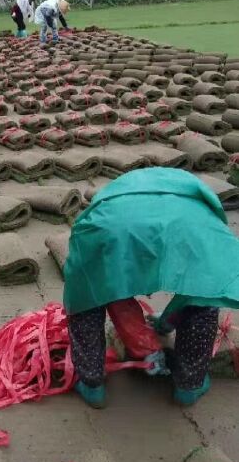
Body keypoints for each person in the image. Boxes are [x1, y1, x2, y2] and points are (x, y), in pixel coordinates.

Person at [63, 168, 239, 409]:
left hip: (109, 227)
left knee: (88, 292)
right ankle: (189, 385)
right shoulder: (205, 222)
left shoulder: (123, 188)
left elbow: (86, 287)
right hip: (184, 229)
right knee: (204, 296)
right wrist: (167, 322)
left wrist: (165, 322)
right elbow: (194, 293)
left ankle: (92, 384)